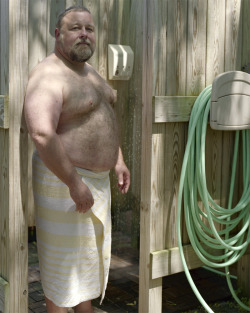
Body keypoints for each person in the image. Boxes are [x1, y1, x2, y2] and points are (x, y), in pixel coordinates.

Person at [24, 6, 130, 313]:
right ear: (58, 35)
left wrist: (118, 159)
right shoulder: (48, 73)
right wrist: (73, 182)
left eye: (90, 28)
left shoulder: (92, 74)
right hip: (63, 182)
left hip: (95, 182)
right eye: (75, 28)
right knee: (62, 265)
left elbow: (105, 117)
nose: (84, 33)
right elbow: (42, 133)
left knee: (87, 258)